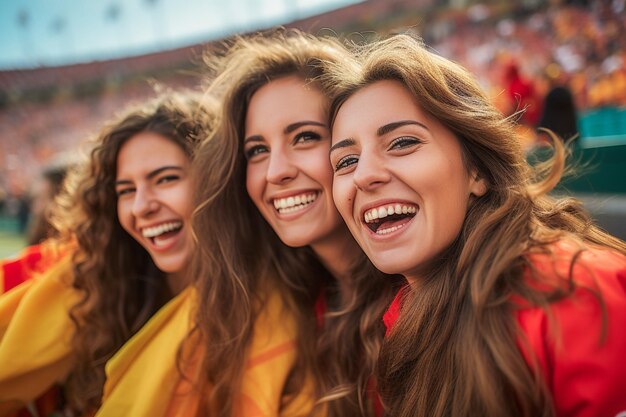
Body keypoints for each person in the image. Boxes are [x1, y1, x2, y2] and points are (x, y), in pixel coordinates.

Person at [325, 34, 626, 417]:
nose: (364, 175)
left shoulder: (578, 293)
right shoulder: (392, 322)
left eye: (402, 142)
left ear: (477, 171)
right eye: (345, 162)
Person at [190, 29, 398, 417]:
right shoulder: (300, 306)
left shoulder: (422, 291)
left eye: (304, 137)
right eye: (257, 151)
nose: (275, 172)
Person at [0, 92, 215, 416]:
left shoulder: (272, 300)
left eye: (166, 179)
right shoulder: (88, 281)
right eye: (126, 191)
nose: (142, 206)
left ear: (218, 177)